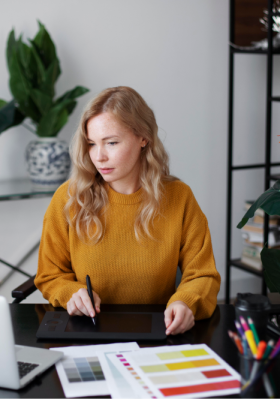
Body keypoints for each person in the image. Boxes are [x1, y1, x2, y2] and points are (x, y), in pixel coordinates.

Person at [34, 86, 221, 335]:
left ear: (143, 138)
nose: (98, 156)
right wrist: (70, 292)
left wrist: (185, 301)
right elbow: (49, 275)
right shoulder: (68, 199)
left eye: (111, 143)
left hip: (158, 333)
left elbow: (203, 275)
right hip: (86, 333)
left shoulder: (179, 197)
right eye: (91, 144)